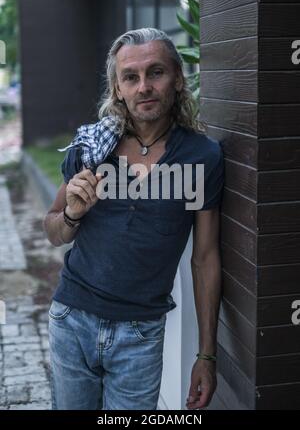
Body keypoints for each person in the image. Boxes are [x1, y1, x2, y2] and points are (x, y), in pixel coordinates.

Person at [43, 27, 224, 410]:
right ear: (118, 88)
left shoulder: (201, 157)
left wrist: (207, 355)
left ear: (177, 78)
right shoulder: (92, 148)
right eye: (131, 77)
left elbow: (205, 258)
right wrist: (73, 215)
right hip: (72, 320)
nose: (144, 86)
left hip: (140, 335)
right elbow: (53, 230)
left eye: (155, 72)